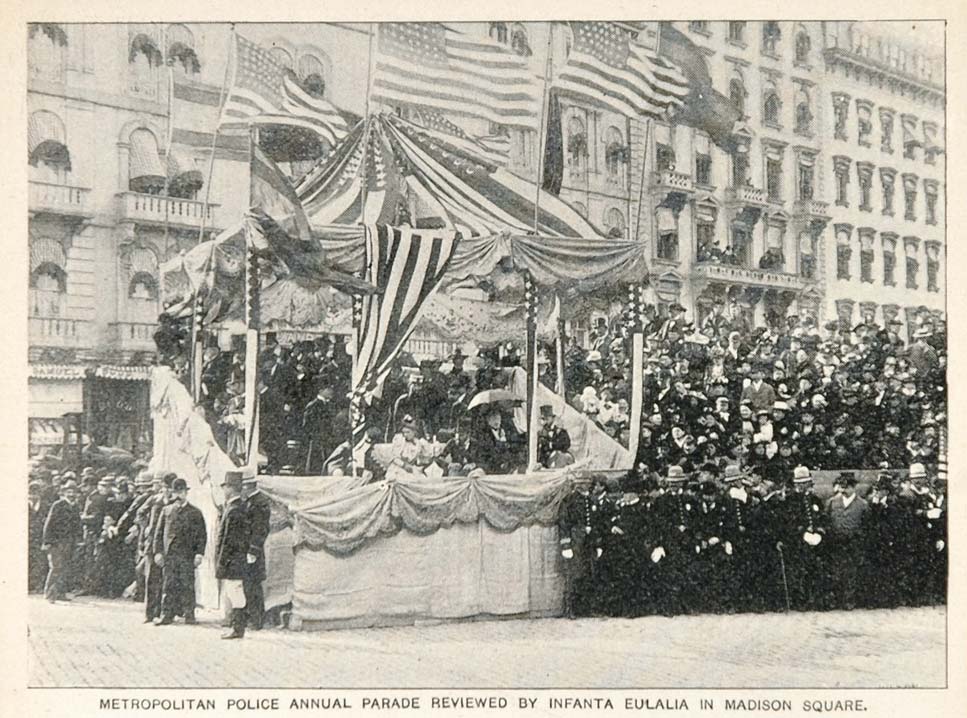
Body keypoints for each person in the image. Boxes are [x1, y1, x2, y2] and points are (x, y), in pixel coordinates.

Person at [153, 477, 207, 625]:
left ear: (186, 493)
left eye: (181, 492)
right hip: (170, 555)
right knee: (168, 585)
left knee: (187, 585)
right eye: (175, 492)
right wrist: (157, 552)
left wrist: (199, 553)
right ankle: (166, 615)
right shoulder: (166, 510)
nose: (178, 495)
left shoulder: (195, 513)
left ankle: (189, 615)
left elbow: (202, 535)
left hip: (187, 555)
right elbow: (158, 533)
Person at [825, 472, 870, 609]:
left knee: (851, 572)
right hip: (836, 541)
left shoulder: (862, 504)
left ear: (853, 487)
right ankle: (835, 600)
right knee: (835, 570)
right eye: (841, 486)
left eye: (846, 487)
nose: (843, 490)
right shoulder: (832, 502)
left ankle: (849, 600)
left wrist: (859, 536)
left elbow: (867, 525)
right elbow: (826, 520)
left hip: (853, 542)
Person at [216, 470, 250, 640]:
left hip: (233, 560)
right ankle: (237, 627)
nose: (224, 490)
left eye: (225, 487)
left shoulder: (234, 510)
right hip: (236, 559)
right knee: (235, 592)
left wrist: (222, 561)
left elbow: (228, 540)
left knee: (235, 592)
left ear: (231, 488)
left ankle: (238, 628)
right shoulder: (236, 507)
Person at [42, 480, 82, 603]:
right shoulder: (58, 505)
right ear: (64, 493)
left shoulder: (75, 506)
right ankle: (49, 594)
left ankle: (60, 593)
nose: (71, 494)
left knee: (65, 568)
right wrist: (47, 541)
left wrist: (78, 540)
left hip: (69, 543)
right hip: (56, 542)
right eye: (68, 492)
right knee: (56, 567)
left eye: (73, 492)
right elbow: (49, 524)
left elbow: (77, 525)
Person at [243, 469, 271, 630]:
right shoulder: (253, 501)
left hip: (253, 552)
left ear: (249, 486)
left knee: (253, 586)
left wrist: (253, 550)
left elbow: (260, 529)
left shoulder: (259, 502)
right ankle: (252, 617)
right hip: (249, 550)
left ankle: (256, 619)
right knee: (250, 585)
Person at [537, 404, 572, 469]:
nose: (545, 421)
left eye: (547, 418)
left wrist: (551, 444)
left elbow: (567, 444)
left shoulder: (561, 432)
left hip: (559, 461)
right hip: (545, 464)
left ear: (552, 418)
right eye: (543, 419)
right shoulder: (540, 433)